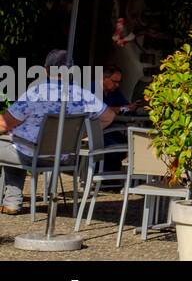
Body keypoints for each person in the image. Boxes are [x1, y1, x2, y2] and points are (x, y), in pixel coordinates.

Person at [0, 50, 117, 215]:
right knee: (15, 148)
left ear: (46, 70)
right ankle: (11, 202)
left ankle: (13, 202)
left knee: (12, 149)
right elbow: (108, 116)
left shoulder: (36, 93)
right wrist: (78, 136)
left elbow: (3, 124)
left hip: (32, 155)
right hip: (64, 157)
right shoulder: (83, 95)